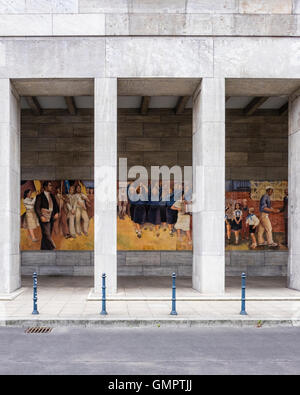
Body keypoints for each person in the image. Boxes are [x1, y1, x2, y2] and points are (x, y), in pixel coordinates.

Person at [34, 181, 59, 250]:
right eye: (50, 185)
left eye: (51, 185)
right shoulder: (39, 196)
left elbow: (56, 206)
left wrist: (57, 213)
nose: (51, 187)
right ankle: (53, 248)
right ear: (45, 187)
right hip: (44, 217)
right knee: (47, 234)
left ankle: (43, 249)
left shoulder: (52, 196)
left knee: (47, 235)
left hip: (51, 217)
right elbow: (37, 208)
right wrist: (41, 216)